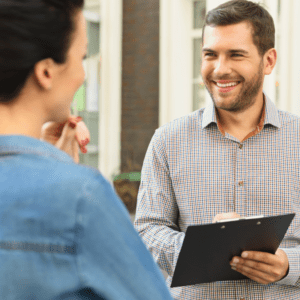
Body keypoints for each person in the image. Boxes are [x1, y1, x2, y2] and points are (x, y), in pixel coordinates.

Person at [0, 1, 173, 299]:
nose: (83, 74)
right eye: (82, 57)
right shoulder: (82, 197)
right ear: (46, 72)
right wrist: (55, 173)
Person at [134, 0, 300, 299]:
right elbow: (148, 231)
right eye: (210, 54)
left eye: (236, 55)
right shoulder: (167, 141)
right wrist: (204, 247)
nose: (220, 69)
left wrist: (290, 265)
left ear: (268, 60)